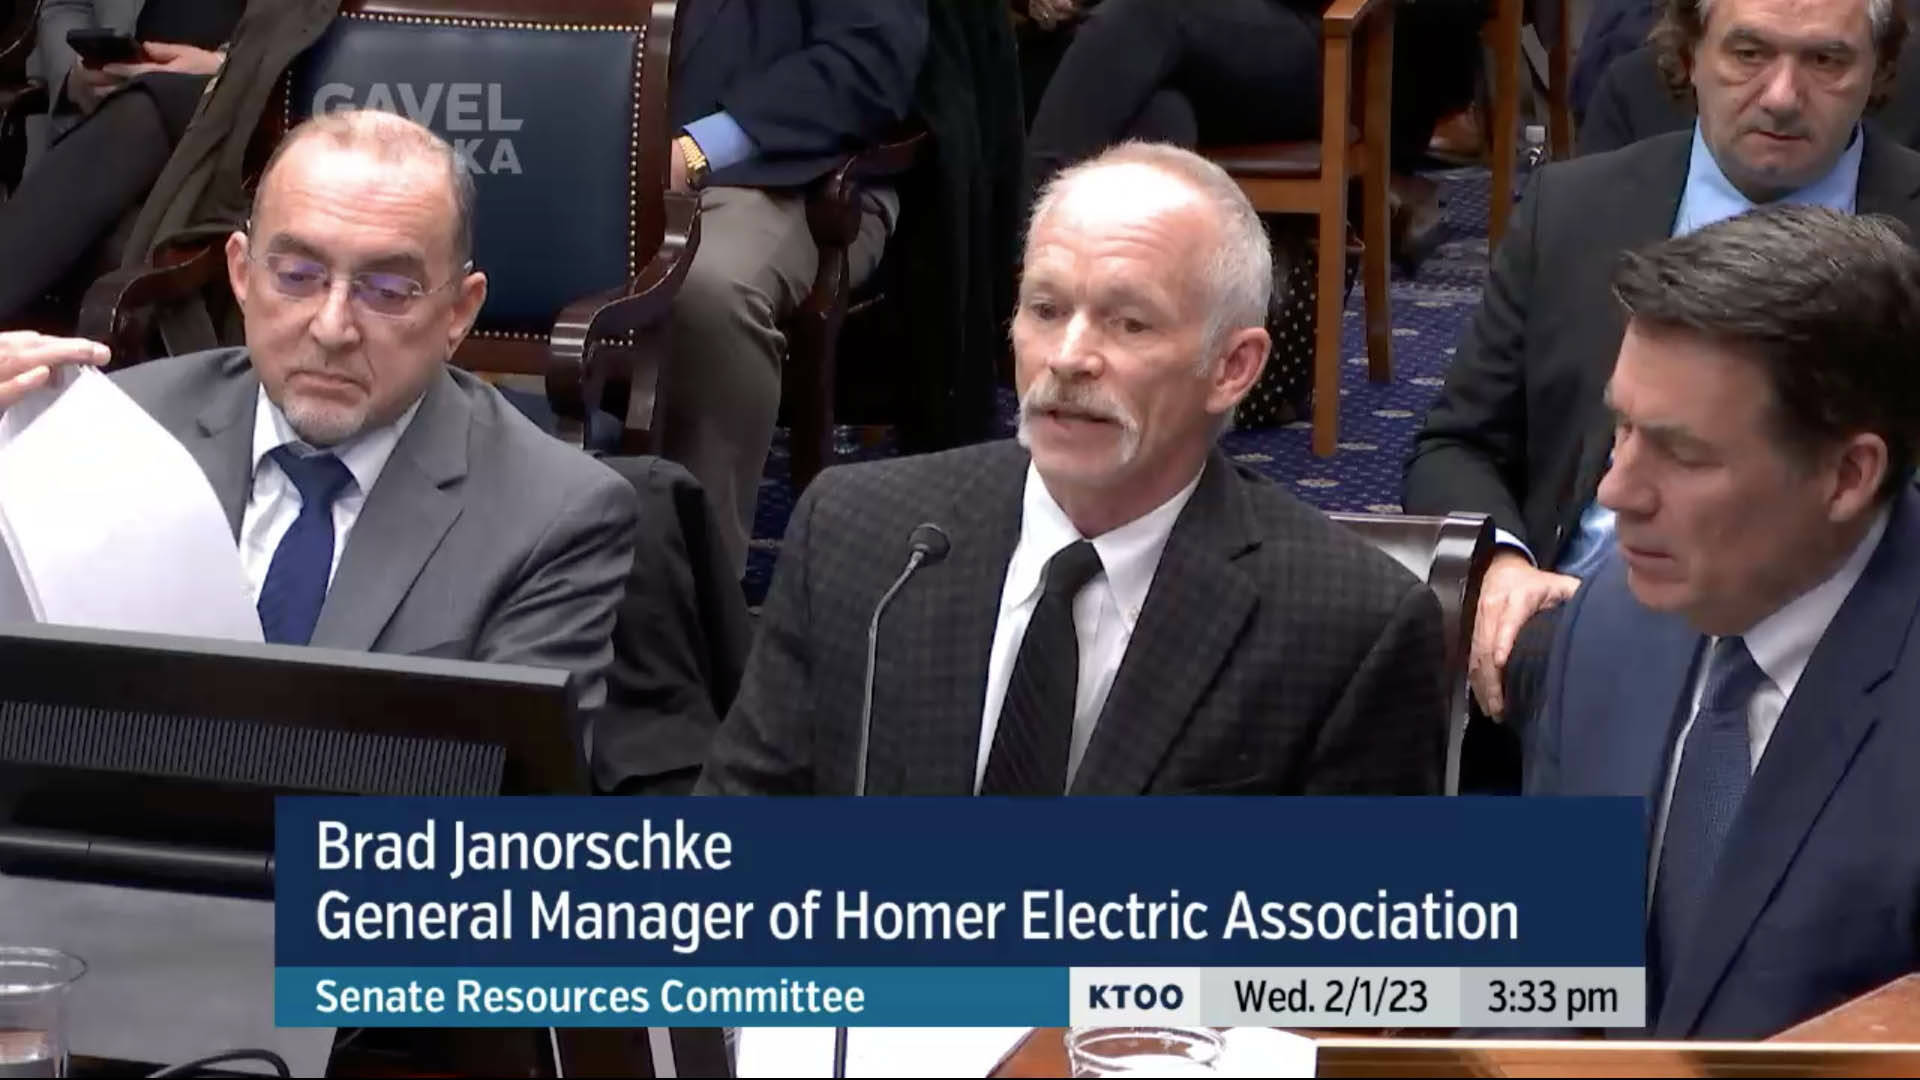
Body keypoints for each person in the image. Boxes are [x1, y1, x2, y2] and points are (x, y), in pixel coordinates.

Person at [697, 142, 1448, 797]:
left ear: (1232, 366)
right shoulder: (857, 536)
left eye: (1129, 322)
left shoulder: (1350, 628)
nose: (1068, 358)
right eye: (1046, 310)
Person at [1401, 0, 1920, 745]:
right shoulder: (1574, 209)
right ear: (1690, 55)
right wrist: (1501, 567)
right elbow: (1457, 443)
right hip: (1557, 626)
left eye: (1825, 61)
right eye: (1749, 53)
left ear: (1878, 73)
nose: (1781, 94)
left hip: (1822, 670)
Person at [1527, 204, 1920, 1039]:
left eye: (1684, 453)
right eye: (1623, 429)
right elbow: (1545, 980)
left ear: (1848, 475)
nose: (1616, 492)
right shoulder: (1610, 620)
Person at [102, 108, 638, 710]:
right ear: (241, 272)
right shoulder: (117, 432)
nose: (332, 329)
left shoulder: (554, 516)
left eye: (387, 292)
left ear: (459, 312)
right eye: (298, 275)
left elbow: (509, 786)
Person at [656, 0, 928, 576]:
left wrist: (698, 148)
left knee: (706, 290)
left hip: (782, 174)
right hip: (578, 151)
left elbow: (868, 63)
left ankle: (697, 609)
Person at [0, 0, 246, 321]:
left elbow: (308, 26)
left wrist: (224, 65)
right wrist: (75, 76)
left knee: (146, 105)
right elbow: (64, 5)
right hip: (100, 105)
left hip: (231, 107)